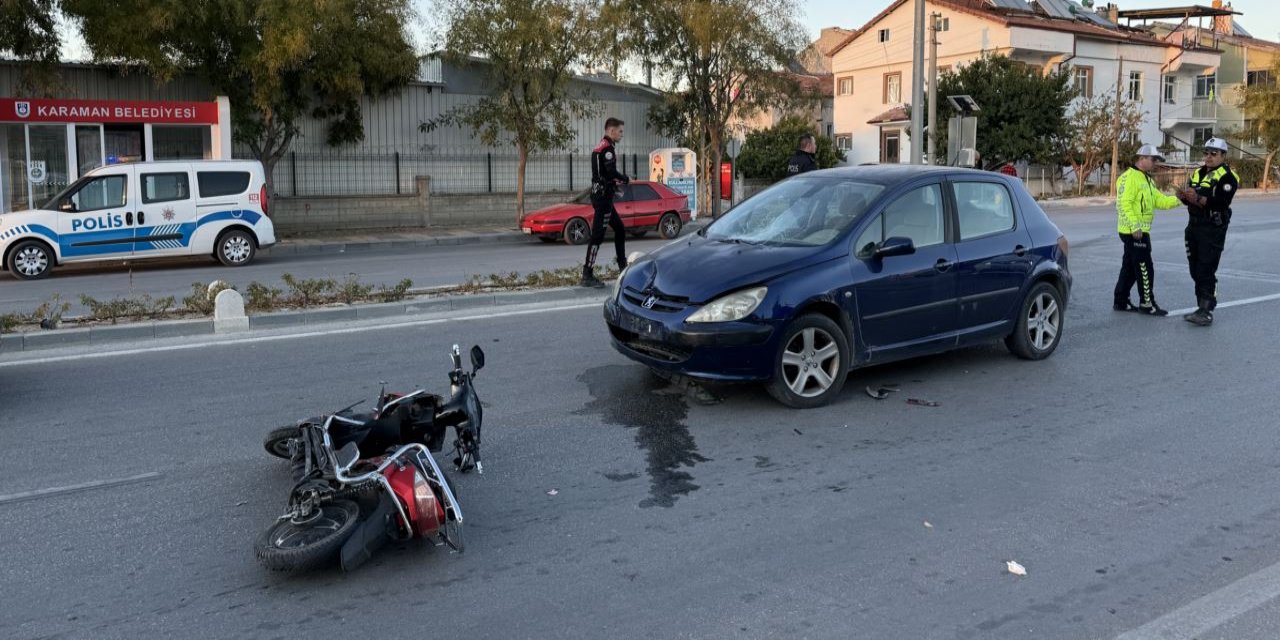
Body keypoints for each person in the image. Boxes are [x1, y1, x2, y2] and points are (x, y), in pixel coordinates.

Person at [1176, 137, 1239, 326]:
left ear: (1223, 156)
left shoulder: (1228, 176)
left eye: (1214, 153)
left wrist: (1199, 198)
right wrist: (1183, 197)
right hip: (1194, 226)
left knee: (1206, 269)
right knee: (1195, 269)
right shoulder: (1197, 173)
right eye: (1206, 153)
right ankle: (1200, 307)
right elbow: (1191, 198)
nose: (1209, 157)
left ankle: (1206, 310)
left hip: (1212, 228)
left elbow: (1222, 202)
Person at [1114, 144, 1183, 316]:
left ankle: (1121, 301)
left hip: (1138, 230)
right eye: (1153, 159)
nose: (1155, 163)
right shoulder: (1129, 177)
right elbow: (1123, 204)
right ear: (1142, 158)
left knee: (1129, 267)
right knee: (1145, 268)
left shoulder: (1146, 179)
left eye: (1156, 160)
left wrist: (1180, 199)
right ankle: (1147, 303)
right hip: (1134, 231)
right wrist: (1134, 226)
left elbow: (1159, 201)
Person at [581, 117, 630, 288]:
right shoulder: (607, 149)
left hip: (601, 195)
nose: (621, 135)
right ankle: (587, 274)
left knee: (620, 230)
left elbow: (602, 175)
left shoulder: (599, 146)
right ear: (611, 130)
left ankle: (623, 268)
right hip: (603, 199)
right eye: (620, 131)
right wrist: (625, 179)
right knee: (597, 236)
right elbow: (610, 173)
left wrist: (614, 185)